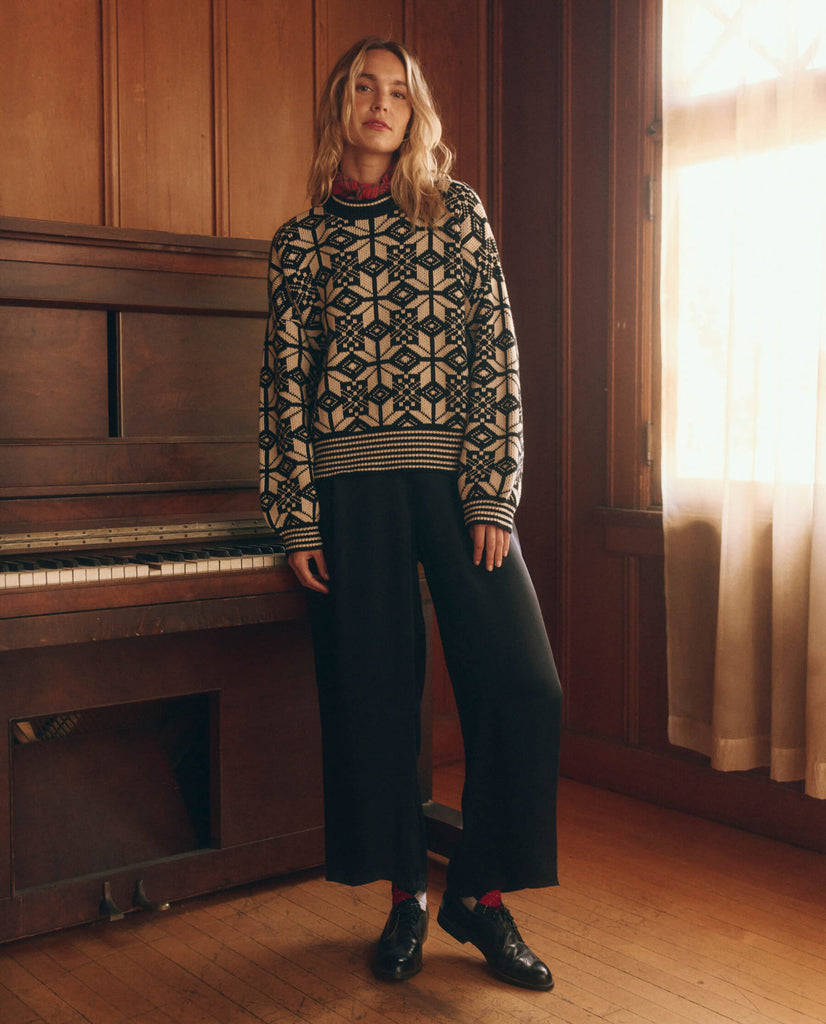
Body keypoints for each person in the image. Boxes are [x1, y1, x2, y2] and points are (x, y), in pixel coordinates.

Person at [259, 36, 562, 992]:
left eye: (397, 90)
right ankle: (405, 898)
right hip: (351, 496)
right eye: (364, 87)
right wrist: (296, 514)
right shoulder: (300, 244)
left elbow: (496, 355)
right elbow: (283, 388)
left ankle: (480, 896)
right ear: (340, 107)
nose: (380, 102)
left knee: (524, 686)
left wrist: (493, 488)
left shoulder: (457, 215)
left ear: (414, 110)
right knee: (377, 699)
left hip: (455, 486)